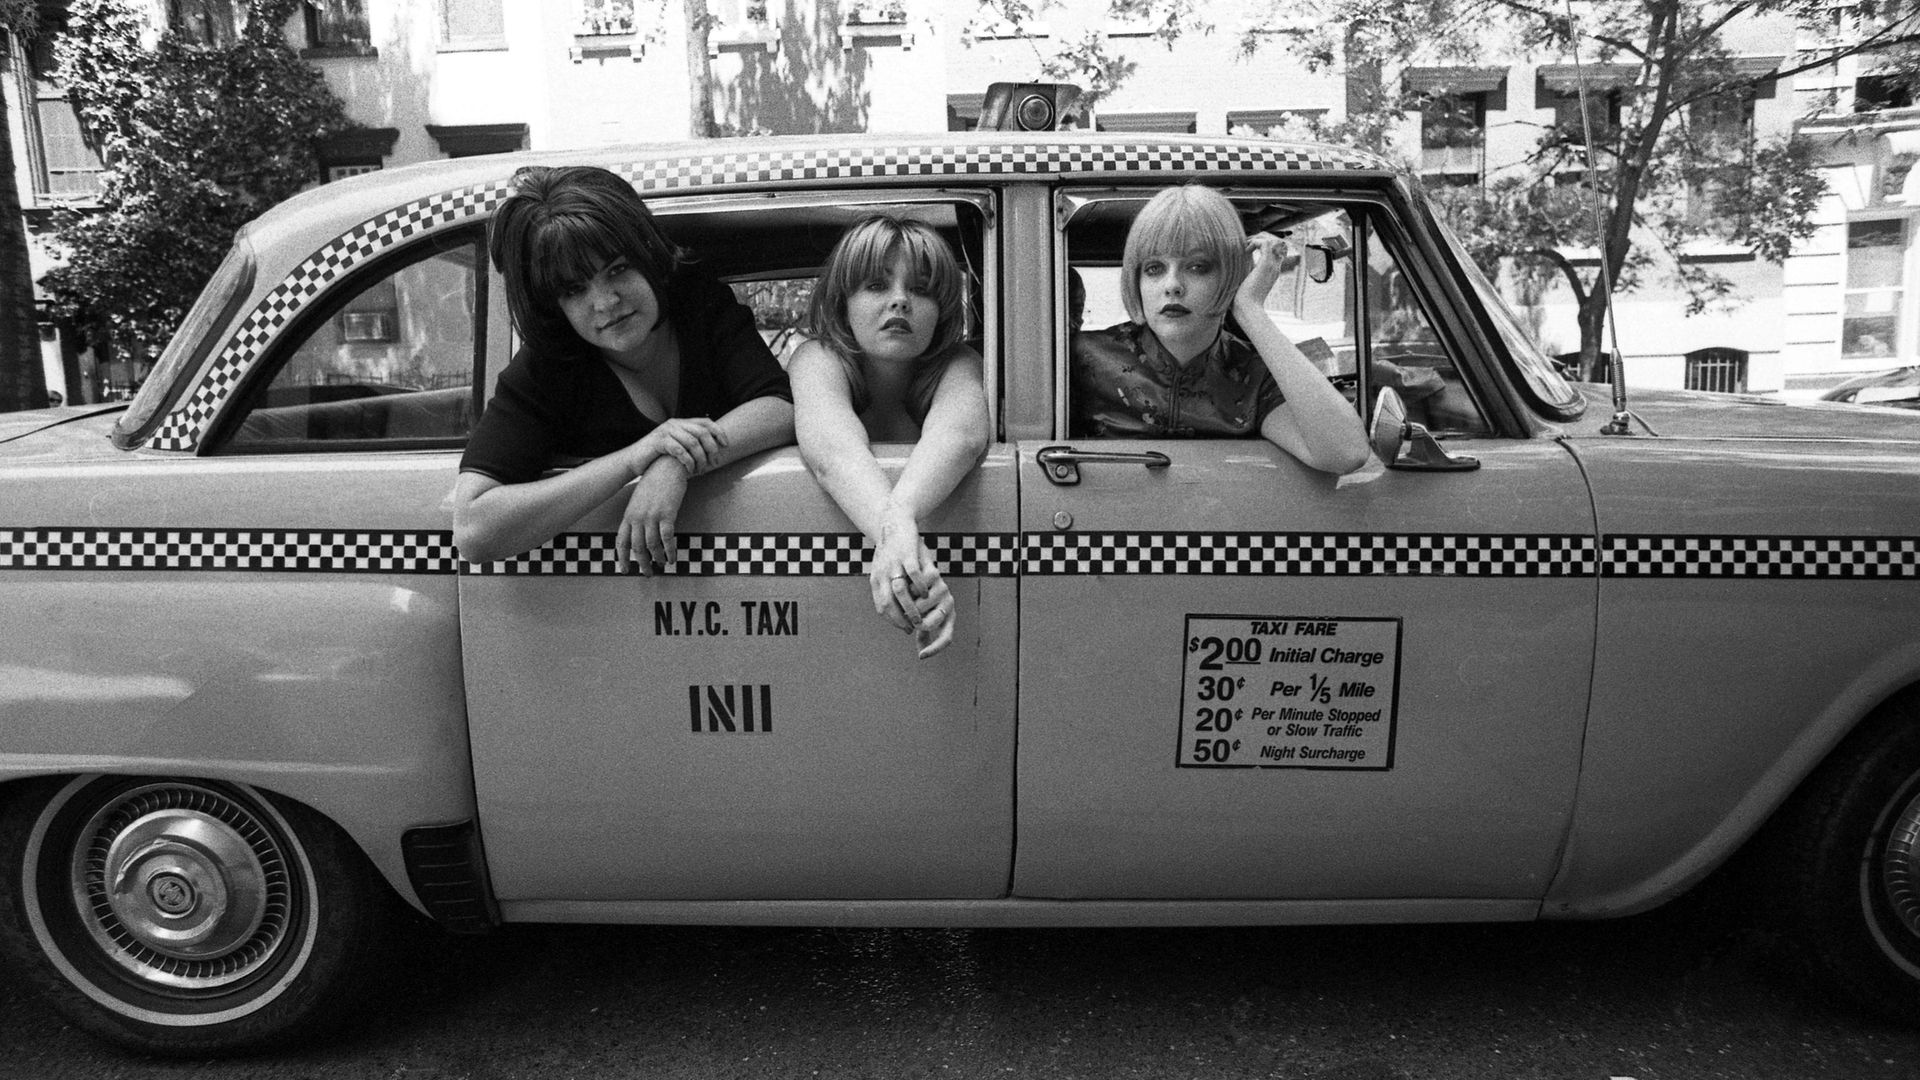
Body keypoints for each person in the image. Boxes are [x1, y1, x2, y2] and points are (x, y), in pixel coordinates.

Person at [453, 165, 795, 569]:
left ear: (648, 255)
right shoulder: (548, 365)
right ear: (553, 304)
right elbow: (473, 531)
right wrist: (635, 459)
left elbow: (782, 408)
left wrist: (674, 462)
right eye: (574, 289)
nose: (605, 302)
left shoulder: (698, 304)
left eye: (618, 269)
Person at [789, 215, 990, 660]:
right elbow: (831, 452)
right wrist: (902, 542)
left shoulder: (960, 362)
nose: (900, 301)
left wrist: (897, 529)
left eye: (920, 289)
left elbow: (961, 436)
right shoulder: (815, 358)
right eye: (877, 286)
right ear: (842, 303)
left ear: (941, 311)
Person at [1071, 185, 1371, 475]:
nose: (1172, 285)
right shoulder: (1082, 358)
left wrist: (1249, 309)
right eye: (1154, 269)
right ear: (1136, 281)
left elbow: (1346, 454)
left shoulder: (1253, 376)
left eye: (1197, 267)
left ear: (1230, 276)